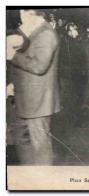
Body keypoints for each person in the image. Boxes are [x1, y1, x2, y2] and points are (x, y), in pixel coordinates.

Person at [7, 9, 60, 165]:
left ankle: (43, 182)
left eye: (23, 13)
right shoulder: (34, 32)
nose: (21, 19)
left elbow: (39, 66)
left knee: (40, 147)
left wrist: (12, 56)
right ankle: (30, 175)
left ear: (32, 14)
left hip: (38, 101)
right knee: (22, 139)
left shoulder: (46, 34)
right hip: (26, 98)